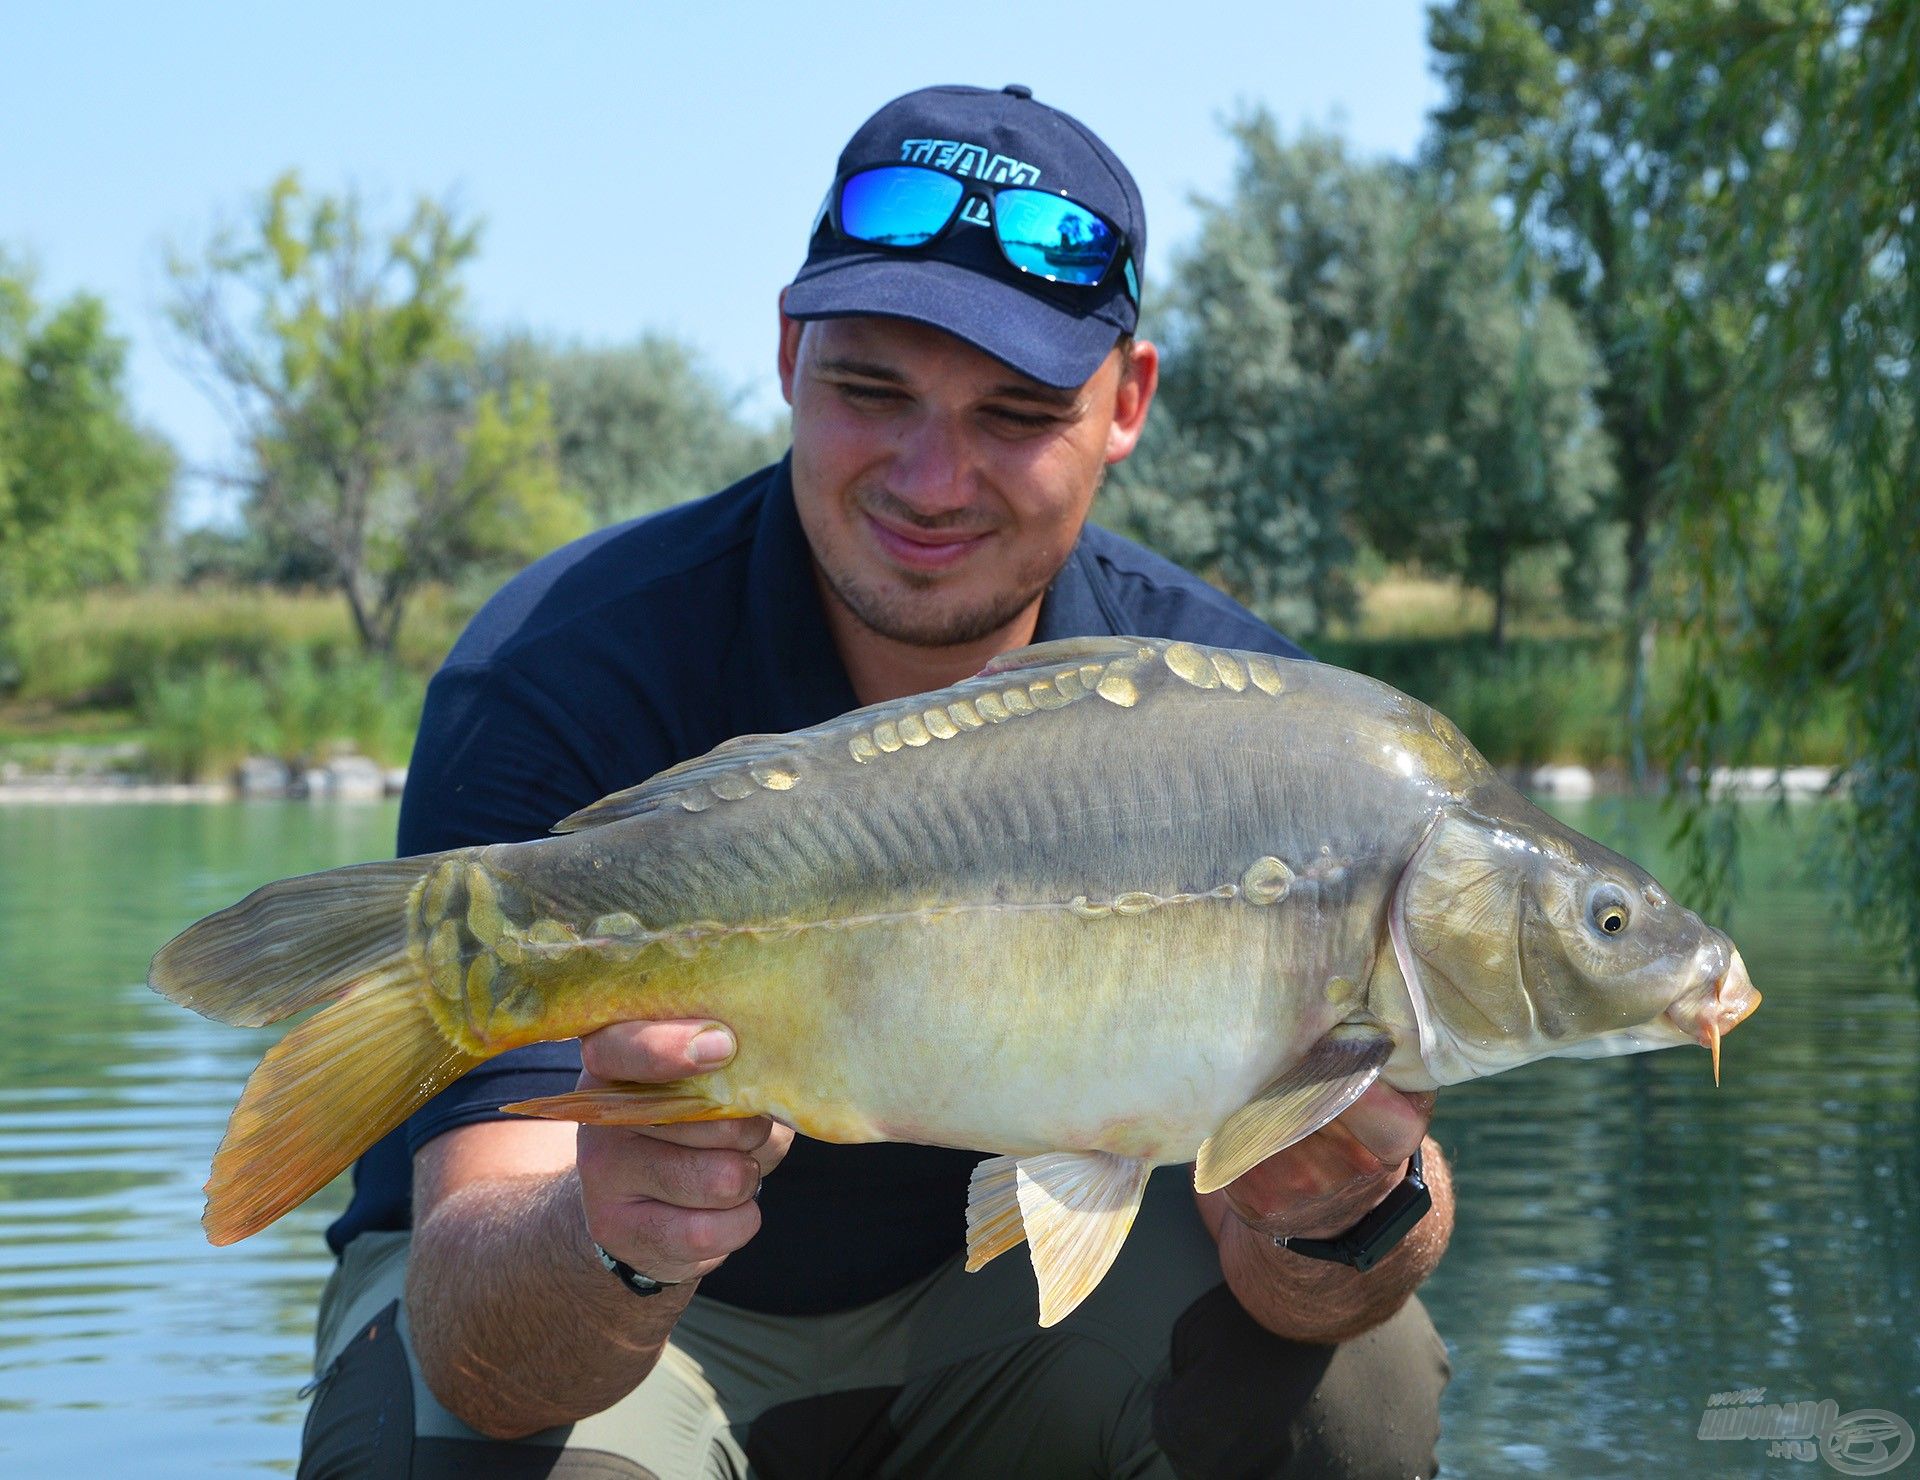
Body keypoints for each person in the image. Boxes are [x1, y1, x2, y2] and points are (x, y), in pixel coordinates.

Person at [299, 83, 1454, 1479]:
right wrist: (611, 1234)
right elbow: (489, 1355)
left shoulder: (1258, 737)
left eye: (1017, 412)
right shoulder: (561, 675)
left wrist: (1336, 1210)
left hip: (1005, 1333)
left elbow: (1322, 1287)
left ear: (1128, 403)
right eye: (871, 391)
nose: (931, 476)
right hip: (634, 1330)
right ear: (788, 354)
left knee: (1352, 1390)